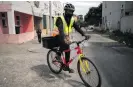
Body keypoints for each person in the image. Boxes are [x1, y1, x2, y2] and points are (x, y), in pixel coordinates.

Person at [53, 3, 90, 73]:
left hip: (65, 36)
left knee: (68, 50)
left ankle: (66, 66)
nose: (70, 13)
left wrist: (84, 34)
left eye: (72, 11)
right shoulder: (60, 19)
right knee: (64, 43)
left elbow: (77, 28)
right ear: (65, 11)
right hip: (57, 35)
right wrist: (65, 38)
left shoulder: (72, 20)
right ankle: (58, 55)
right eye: (69, 11)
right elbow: (60, 30)